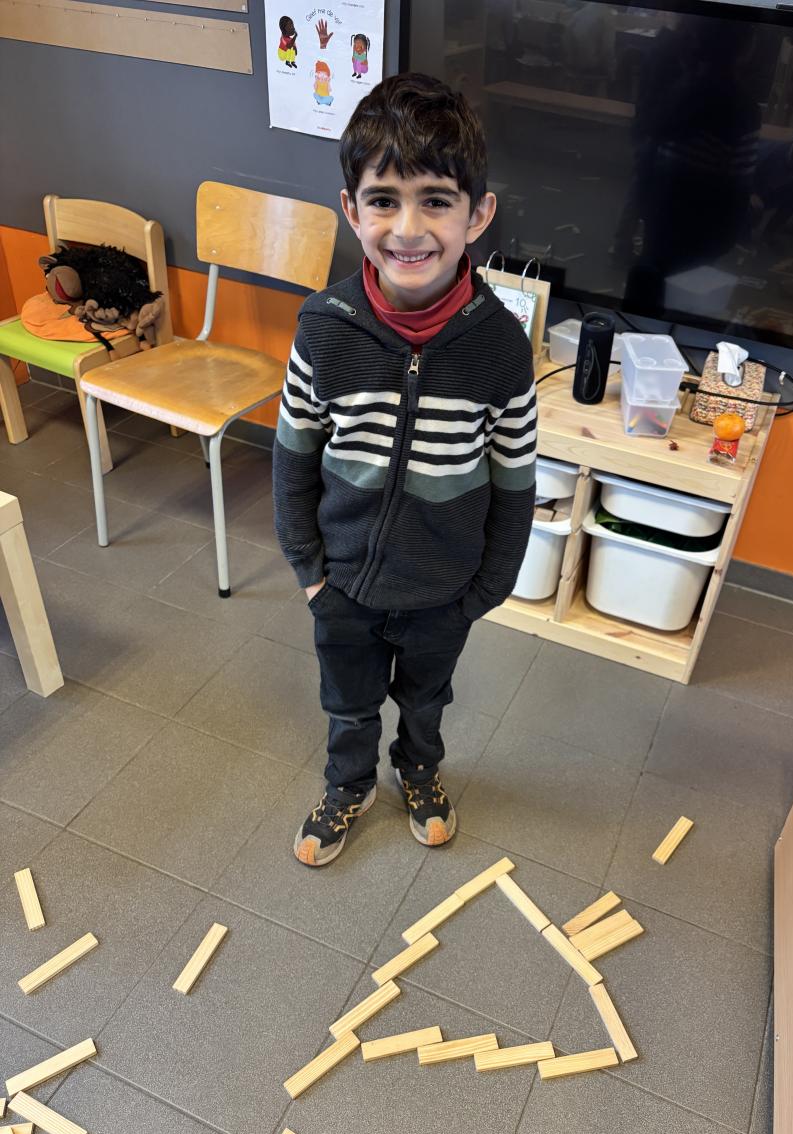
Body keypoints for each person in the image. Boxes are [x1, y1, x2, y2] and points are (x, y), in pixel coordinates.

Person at [273, 72, 537, 867]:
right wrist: (310, 571)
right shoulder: (323, 328)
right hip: (344, 586)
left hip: (443, 593)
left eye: (436, 200)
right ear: (351, 209)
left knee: (425, 701)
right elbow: (292, 457)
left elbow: (514, 482)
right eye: (383, 200)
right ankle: (347, 784)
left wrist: (483, 591)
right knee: (348, 705)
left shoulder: (501, 347)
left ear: (476, 215)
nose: (408, 228)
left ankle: (418, 773)